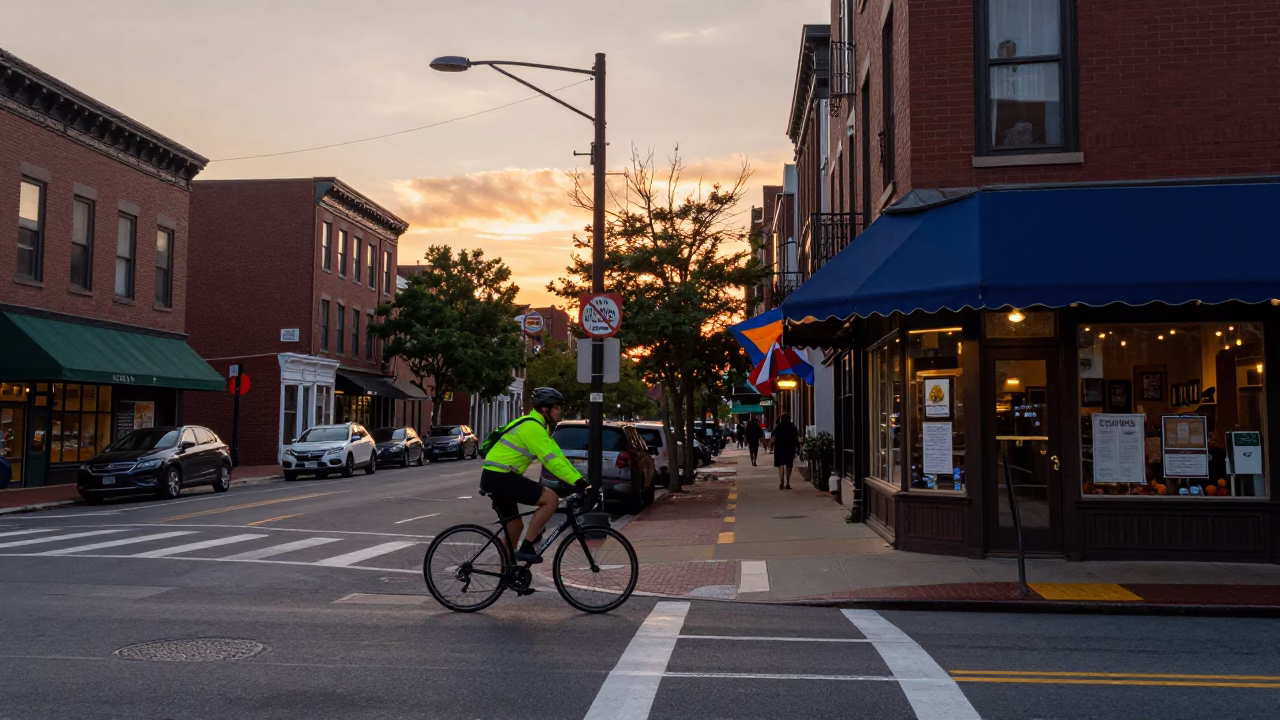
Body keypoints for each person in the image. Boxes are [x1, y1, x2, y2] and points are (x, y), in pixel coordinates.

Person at [479, 387, 587, 565]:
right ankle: (528, 546)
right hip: (499, 477)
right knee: (550, 499)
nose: (560, 411)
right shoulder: (532, 427)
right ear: (546, 409)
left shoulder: (537, 427)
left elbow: (558, 456)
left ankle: (507, 574)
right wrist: (578, 483)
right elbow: (551, 461)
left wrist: (580, 481)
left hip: (496, 477)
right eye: (557, 407)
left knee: (515, 527)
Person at [771, 413, 800, 489]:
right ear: (789, 419)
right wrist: (798, 448)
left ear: (781, 419)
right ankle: (787, 483)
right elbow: (796, 438)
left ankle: (781, 482)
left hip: (779, 448)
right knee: (789, 466)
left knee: (781, 465)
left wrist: (771, 446)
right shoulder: (792, 426)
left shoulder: (778, 427)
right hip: (790, 448)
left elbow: (773, 438)